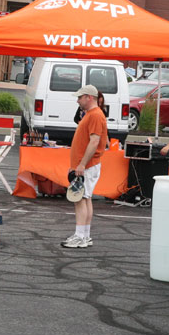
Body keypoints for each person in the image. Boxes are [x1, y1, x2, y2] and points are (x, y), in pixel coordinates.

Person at [62, 85, 107, 249]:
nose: (77, 100)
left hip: (87, 165)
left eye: (80, 97)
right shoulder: (93, 114)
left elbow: (94, 141)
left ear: (89, 97)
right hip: (87, 164)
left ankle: (80, 236)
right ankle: (85, 235)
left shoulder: (95, 115)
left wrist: (81, 164)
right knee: (84, 198)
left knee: (79, 198)